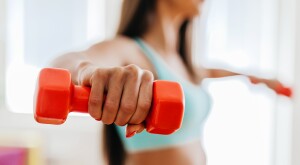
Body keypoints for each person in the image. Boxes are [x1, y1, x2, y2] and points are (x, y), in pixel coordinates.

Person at [50, 0, 286, 164]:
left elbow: (210, 71)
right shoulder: (130, 50)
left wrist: (257, 78)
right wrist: (86, 71)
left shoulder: (182, 62)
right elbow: (63, 63)